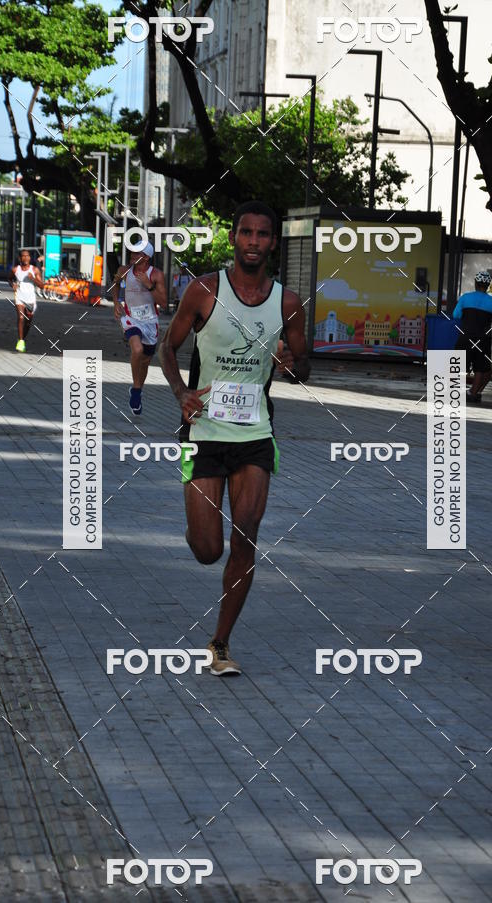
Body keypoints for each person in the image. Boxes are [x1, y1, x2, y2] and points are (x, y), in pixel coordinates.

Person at [160, 200, 310, 676]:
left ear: (273, 243)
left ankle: (220, 643)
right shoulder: (204, 291)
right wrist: (181, 392)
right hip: (204, 430)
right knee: (209, 550)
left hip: (255, 432)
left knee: (246, 534)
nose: (253, 241)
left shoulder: (287, 303)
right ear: (233, 238)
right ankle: (197, 527)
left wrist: (291, 365)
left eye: (262, 234)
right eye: (246, 232)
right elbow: (168, 347)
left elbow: (303, 366)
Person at [112, 241, 167, 415]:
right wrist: (116, 302)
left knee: (145, 361)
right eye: (132, 252)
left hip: (150, 322)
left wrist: (148, 285)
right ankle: (136, 391)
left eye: (137, 253)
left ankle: (138, 389)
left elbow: (164, 303)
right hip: (131, 318)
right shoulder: (124, 270)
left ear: (146, 257)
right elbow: (115, 283)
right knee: (137, 350)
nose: (132, 255)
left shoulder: (156, 275)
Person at [452, 271, 492, 403]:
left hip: (465, 336)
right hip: (483, 339)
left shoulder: (465, 297)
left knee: (459, 366)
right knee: (480, 368)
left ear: (475, 284)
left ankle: (455, 393)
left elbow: (456, 315)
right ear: (488, 286)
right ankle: (472, 394)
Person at [8, 249, 44, 352]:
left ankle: (22, 339)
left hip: (30, 299)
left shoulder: (35, 270)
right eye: (23, 256)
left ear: (30, 258)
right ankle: (20, 341)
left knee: (28, 323)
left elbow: (42, 286)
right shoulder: (15, 270)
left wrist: (33, 278)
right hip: (19, 297)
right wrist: (13, 284)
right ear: (20, 258)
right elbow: (9, 279)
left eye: (27, 256)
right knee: (21, 317)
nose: (25, 258)